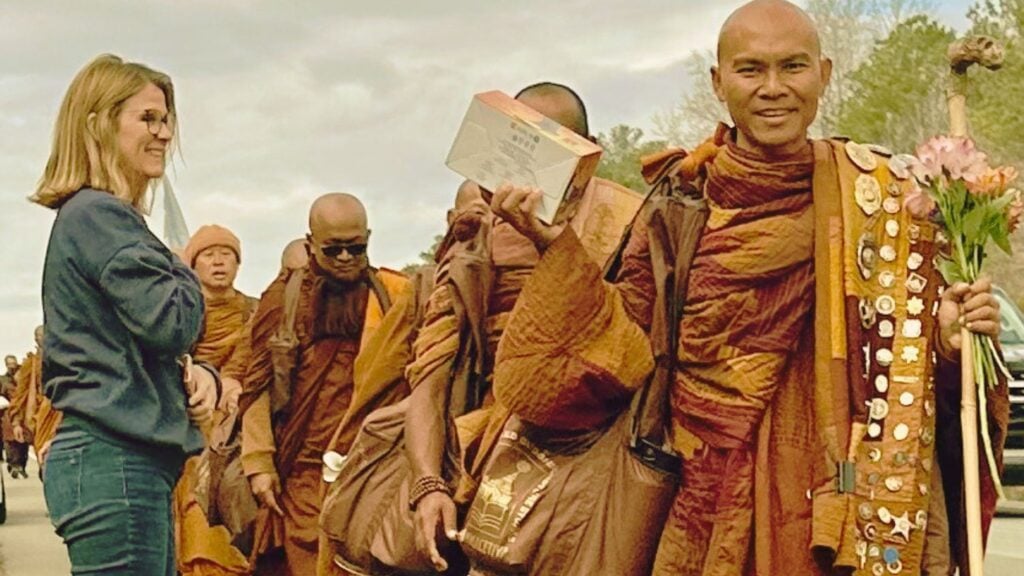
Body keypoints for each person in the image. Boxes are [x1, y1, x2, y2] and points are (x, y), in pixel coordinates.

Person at [487, 1, 1007, 574]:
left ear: (824, 74)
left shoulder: (879, 196)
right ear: (718, 82)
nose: (773, 88)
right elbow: (622, 346)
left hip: (832, 498)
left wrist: (950, 343)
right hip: (698, 494)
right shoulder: (681, 201)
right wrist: (556, 251)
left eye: (793, 67)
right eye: (751, 69)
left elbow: (909, 362)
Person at [406, 83, 645, 573]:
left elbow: (637, 348)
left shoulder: (629, 222)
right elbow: (429, 376)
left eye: (559, 147)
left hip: (600, 446)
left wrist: (557, 251)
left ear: (591, 152)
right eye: (526, 144)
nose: (539, 164)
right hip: (491, 449)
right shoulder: (477, 247)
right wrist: (427, 485)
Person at [31, 54, 219, 576]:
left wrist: (203, 374)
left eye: (166, 120)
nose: (164, 134)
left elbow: (138, 344)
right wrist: (184, 267)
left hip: (119, 463)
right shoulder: (99, 215)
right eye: (148, 119)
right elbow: (172, 323)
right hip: (113, 461)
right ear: (98, 125)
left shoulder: (101, 218)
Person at [239, 193, 408, 575]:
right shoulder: (284, 298)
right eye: (333, 250)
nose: (346, 257)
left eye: (356, 247)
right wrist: (259, 462)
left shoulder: (392, 296)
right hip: (304, 468)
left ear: (368, 238)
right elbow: (257, 386)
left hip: (372, 462)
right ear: (311, 243)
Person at [174, 224, 259, 576]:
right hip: (193, 425)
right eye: (209, 255)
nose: (219, 262)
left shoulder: (255, 310)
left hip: (242, 425)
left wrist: (235, 381)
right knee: (197, 509)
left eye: (226, 255)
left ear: (238, 264)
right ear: (194, 264)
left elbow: (259, 358)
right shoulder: (181, 313)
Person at [9, 326, 63, 470]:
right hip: (40, 417)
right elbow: (20, 395)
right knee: (44, 458)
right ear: (35, 339)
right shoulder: (30, 364)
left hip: (61, 413)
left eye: (46, 335)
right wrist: (16, 423)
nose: (43, 338)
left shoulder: (63, 359)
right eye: (40, 335)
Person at [1, 354, 28, 478]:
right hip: (9, 413)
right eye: (10, 364)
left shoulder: (24, 375)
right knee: (10, 440)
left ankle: (21, 465)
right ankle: (13, 464)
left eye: (14, 363)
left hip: (24, 412)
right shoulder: (3, 380)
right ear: (6, 365)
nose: (12, 366)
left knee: (24, 441)